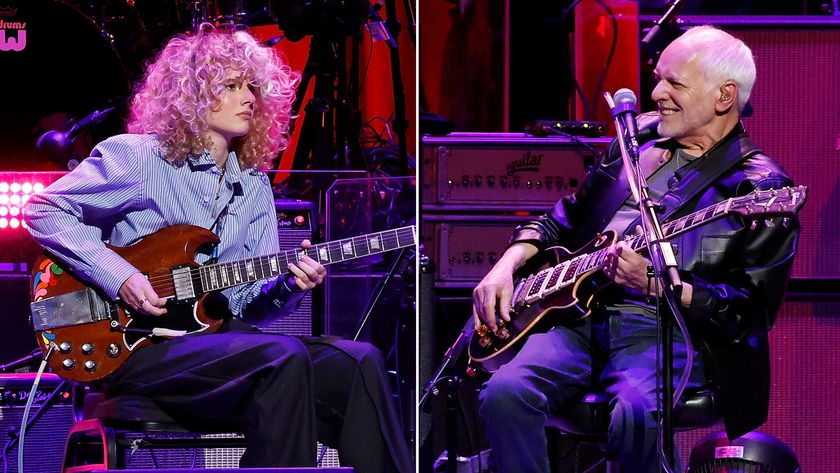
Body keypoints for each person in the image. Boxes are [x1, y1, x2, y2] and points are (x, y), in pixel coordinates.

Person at [25, 24, 413, 473]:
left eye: (252, 87)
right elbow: (44, 210)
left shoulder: (253, 185)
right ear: (190, 95)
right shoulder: (136, 157)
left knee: (359, 362)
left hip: (214, 345)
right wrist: (122, 275)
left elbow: (251, 308)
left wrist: (289, 284)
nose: (248, 97)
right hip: (137, 348)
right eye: (231, 86)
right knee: (281, 356)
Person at [472, 25, 800, 473]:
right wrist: (505, 266)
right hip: (578, 316)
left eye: (674, 83)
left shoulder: (758, 187)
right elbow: (564, 218)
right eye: (658, 77)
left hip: (668, 329)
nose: (656, 92)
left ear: (724, 97)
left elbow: (749, 313)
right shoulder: (637, 138)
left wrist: (653, 284)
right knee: (505, 393)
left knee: (634, 412)